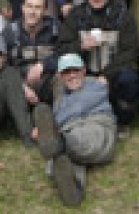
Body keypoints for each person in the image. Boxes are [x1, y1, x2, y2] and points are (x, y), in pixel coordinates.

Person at [34, 53, 116, 207]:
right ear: (60, 76)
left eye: (75, 70)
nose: (72, 75)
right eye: (66, 72)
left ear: (84, 71)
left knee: (77, 140)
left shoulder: (96, 85)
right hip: (70, 132)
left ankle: (59, 143)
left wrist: (54, 124)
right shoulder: (60, 99)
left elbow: (80, 105)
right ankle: (74, 190)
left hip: (97, 126)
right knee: (62, 159)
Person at [58, 0, 138, 130]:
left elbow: (129, 53)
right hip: (84, 76)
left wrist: (106, 75)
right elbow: (61, 49)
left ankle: (123, 120)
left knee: (129, 79)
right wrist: (80, 46)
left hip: (112, 76)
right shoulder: (75, 16)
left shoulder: (123, 16)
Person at [2, 0, 60, 106]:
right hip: (19, 83)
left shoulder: (56, 29)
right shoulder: (9, 32)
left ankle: (59, 119)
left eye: (38, 7)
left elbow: (67, 54)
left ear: (45, 11)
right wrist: (21, 86)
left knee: (63, 77)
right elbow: (1, 65)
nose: (32, 12)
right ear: (23, 8)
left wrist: (43, 65)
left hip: (48, 81)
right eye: (29, 6)